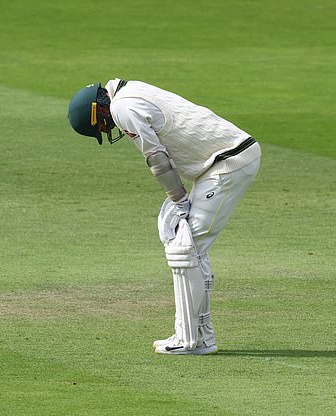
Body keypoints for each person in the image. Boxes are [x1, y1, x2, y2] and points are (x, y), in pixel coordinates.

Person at [67, 79, 261, 355]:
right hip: (216, 164)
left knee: (186, 248)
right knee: (174, 233)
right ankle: (200, 336)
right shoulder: (129, 90)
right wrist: (178, 201)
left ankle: (189, 340)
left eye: (102, 125)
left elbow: (156, 158)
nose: (108, 129)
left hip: (228, 163)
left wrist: (180, 199)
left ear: (99, 110)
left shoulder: (123, 107)